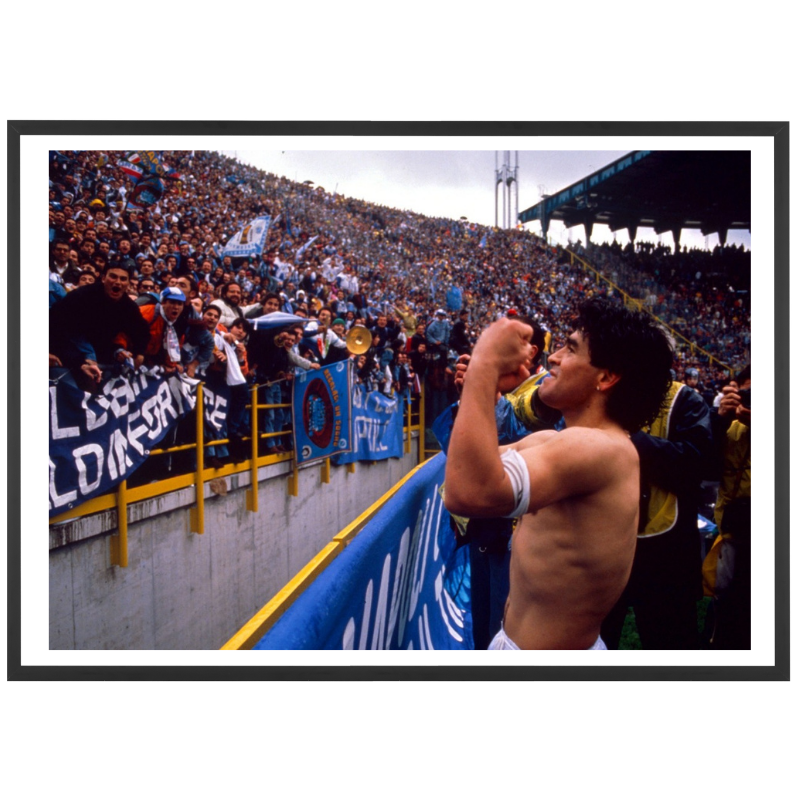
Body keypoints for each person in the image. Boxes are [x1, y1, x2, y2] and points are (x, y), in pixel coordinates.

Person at [445, 298, 673, 651]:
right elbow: (465, 466)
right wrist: (485, 396)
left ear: (607, 377)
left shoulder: (597, 449)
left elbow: (466, 492)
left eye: (570, 348)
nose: (552, 357)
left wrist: (485, 363)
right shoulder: (562, 441)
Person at [48, 261, 150, 390]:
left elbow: (141, 331)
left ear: (128, 284)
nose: (118, 282)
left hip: (96, 358)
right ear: (103, 278)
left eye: (123, 279)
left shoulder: (128, 306)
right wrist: (79, 361)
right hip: (63, 354)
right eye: (113, 276)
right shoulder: (81, 296)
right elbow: (56, 324)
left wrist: (139, 353)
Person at [706, 365, 751, 649]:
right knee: (726, 597)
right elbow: (707, 468)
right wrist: (719, 418)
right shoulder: (729, 424)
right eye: (745, 391)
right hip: (732, 525)